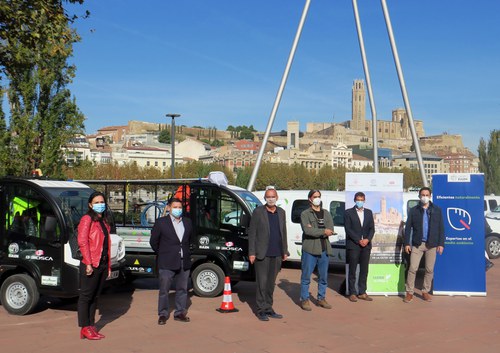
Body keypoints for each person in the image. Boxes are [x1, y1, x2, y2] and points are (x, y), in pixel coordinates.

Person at [150, 197, 193, 325]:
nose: (178, 210)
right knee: (164, 290)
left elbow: (189, 240)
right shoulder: (161, 222)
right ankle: (163, 314)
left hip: (183, 261)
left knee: (182, 289)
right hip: (167, 261)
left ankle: (179, 312)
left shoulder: (188, 222)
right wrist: (163, 253)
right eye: (175, 207)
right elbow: (154, 242)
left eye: (180, 207)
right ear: (169, 208)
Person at [248, 186, 289, 321]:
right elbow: (252, 233)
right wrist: (252, 252)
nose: (270, 199)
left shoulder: (281, 212)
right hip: (262, 253)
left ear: (277, 198)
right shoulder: (258, 212)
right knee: (262, 283)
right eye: (268, 197)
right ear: (265, 198)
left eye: (273, 196)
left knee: (271, 284)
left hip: (277, 253)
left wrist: (285, 250)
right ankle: (260, 310)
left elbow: (283, 232)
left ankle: (268, 308)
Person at [77, 191, 112, 340]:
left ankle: (90, 326)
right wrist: (89, 263)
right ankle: (85, 327)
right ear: (90, 205)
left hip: (102, 264)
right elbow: (82, 241)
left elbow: (106, 245)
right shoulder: (87, 219)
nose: (100, 205)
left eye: (102, 202)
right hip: (91, 263)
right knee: (86, 296)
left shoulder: (103, 221)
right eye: (96, 203)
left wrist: (108, 266)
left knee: (95, 296)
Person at [403, 187, 445, 303]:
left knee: (429, 269)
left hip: (432, 244)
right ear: (419, 196)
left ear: (430, 196)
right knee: (412, 268)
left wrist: (441, 244)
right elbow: (408, 228)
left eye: (427, 195)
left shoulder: (437, 210)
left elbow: (441, 228)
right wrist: (407, 243)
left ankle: (425, 291)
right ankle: (409, 292)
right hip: (417, 244)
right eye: (422, 195)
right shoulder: (414, 210)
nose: (424, 197)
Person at [299, 190, 334, 311]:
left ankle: (321, 298)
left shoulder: (326, 213)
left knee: (323, 277)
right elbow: (307, 231)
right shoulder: (305, 214)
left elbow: (331, 229)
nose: (317, 199)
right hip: (310, 250)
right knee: (306, 276)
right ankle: (304, 299)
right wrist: (323, 231)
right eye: (315, 197)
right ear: (310, 199)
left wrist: (317, 230)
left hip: (324, 249)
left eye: (319, 196)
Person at [344, 192, 375, 302]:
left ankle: (362, 292)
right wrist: (358, 240)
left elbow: (372, 228)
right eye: (358, 199)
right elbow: (348, 229)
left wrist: (367, 239)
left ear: (364, 200)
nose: (359, 201)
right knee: (352, 269)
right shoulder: (348, 213)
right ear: (354, 200)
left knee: (364, 270)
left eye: (361, 199)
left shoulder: (369, 212)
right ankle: (352, 292)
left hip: (366, 246)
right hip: (354, 245)